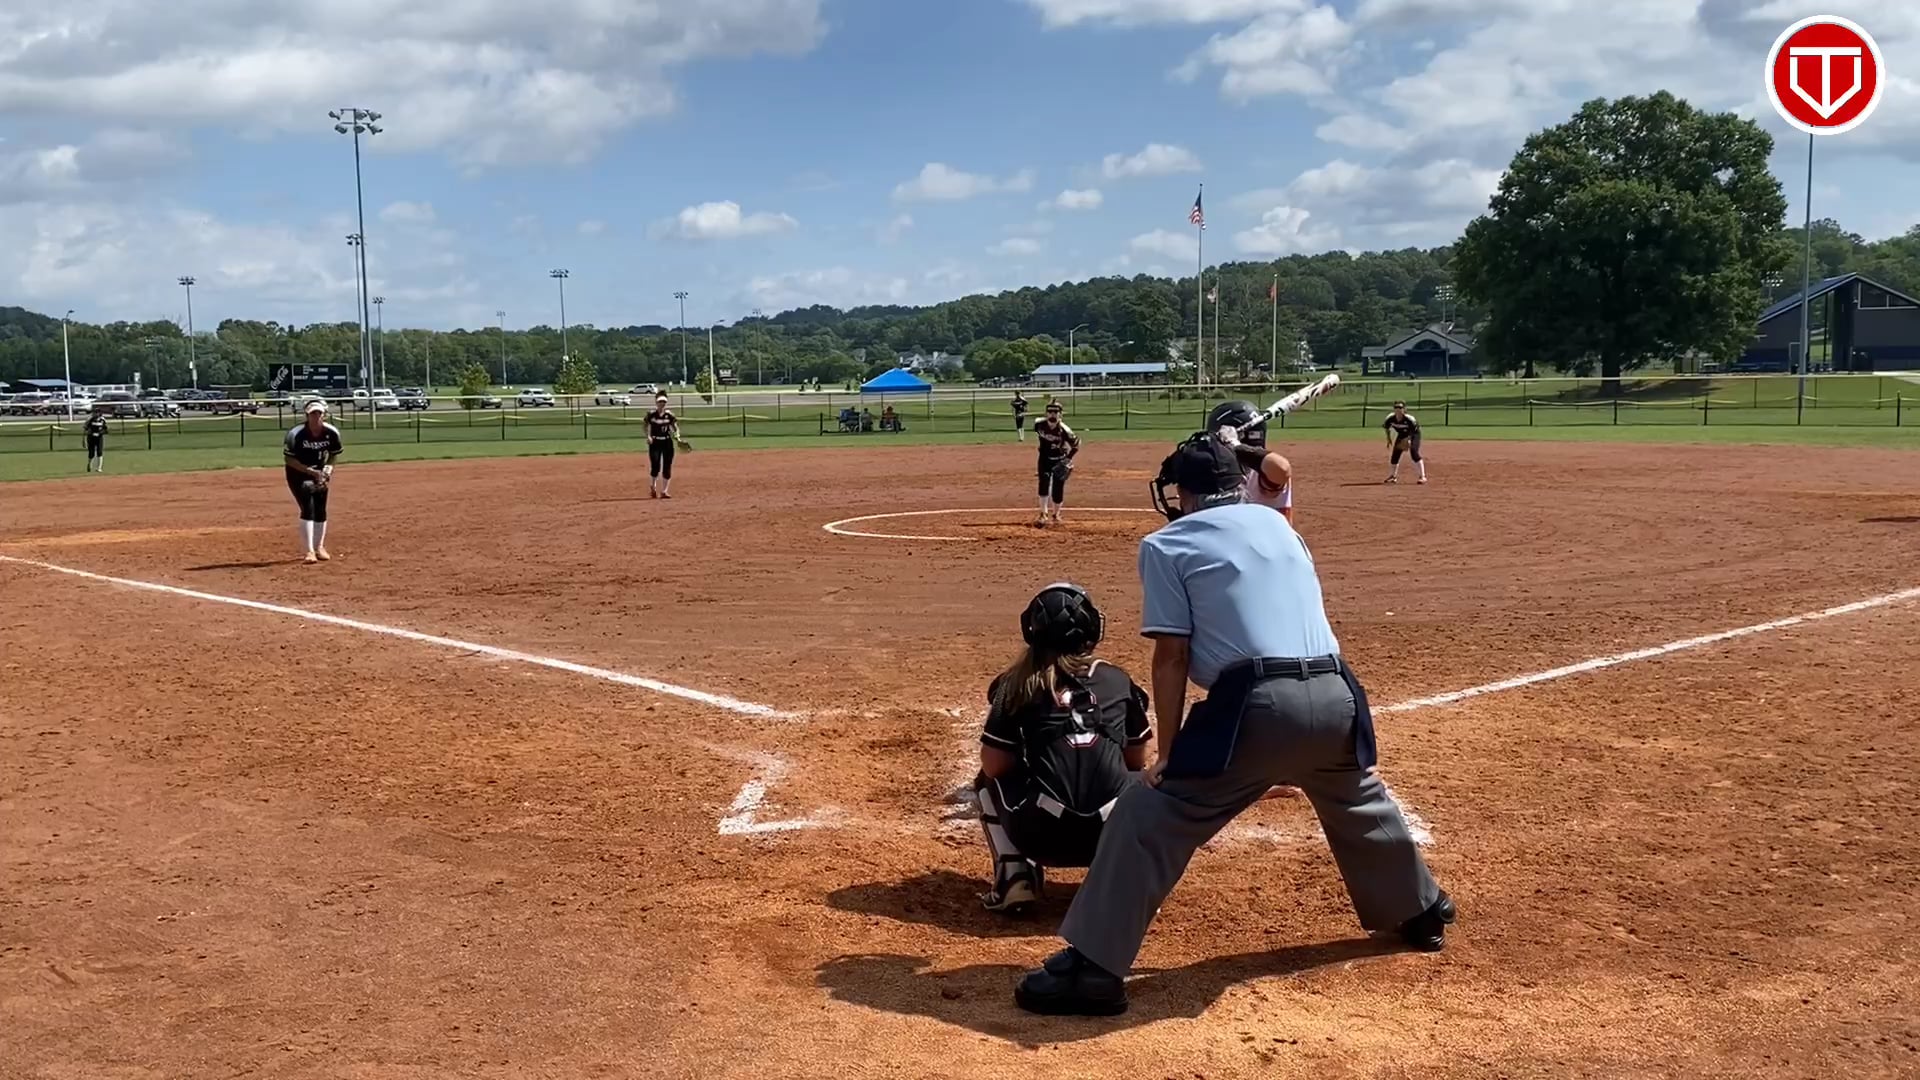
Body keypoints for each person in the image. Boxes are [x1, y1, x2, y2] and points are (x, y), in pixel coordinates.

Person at [1014, 431, 1454, 1016]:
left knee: (1148, 814)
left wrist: (1169, 754)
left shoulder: (1166, 544)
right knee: (1355, 797)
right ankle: (1421, 909)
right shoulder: (1279, 526)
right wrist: (1240, 450)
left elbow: (1171, 657)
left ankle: (1094, 969)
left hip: (1259, 705)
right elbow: (1275, 474)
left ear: (1185, 492)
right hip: (1339, 694)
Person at [973, 583, 1152, 913]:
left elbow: (994, 764)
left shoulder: (1014, 684)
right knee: (1148, 782)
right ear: (1092, 629)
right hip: (1108, 836)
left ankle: (1015, 878)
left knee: (987, 780)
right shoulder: (1118, 680)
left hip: (1040, 835)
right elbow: (1135, 760)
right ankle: (1130, 880)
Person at [1205, 400, 1294, 524]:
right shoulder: (1217, 471)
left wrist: (1235, 446)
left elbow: (1282, 469)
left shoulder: (1261, 472)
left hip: (1267, 536)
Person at [284, 400, 345, 564]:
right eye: (312, 414)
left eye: (319, 413)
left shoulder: (331, 432)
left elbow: (333, 454)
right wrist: (309, 471)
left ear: (324, 415)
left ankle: (319, 547)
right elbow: (289, 459)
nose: (316, 417)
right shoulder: (296, 433)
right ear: (307, 415)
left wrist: (327, 471)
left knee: (320, 510)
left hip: (319, 474)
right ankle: (309, 551)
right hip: (297, 474)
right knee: (307, 508)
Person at [1031, 399, 1080, 528]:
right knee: (1043, 482)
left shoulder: (1065, 430)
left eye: (1056, 412)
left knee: (1058, 488)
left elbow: (1076, 444)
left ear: (1060, 414)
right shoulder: (1039, 424)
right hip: (1044, 459)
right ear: (1046, 413)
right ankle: (1043, 514)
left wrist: (1068, 459)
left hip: (1059, 460)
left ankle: (1056, 514)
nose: (1052, 414)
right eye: (1050, 412)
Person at [1383, 401, 1426, 484]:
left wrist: (1408, 440)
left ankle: (1422, 476)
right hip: (1402, 434)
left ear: (1404, 409)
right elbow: (1386, 428)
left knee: (1413, 451)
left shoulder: (1409, 419)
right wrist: (1388, 439)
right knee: (1395, 454)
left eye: (1400, 407)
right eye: (1396, 407)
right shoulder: (1390, 418)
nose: (1398, 409)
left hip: (1414, 434)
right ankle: (1393, 476)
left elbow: (1414, 430)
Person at [645, 394, 679, 499]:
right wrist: (648, 436)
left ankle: (664, 491)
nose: (662, 404)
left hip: (667, 442)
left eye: (664, 402)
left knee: (667, 466)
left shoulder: (669, 415)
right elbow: (646, 425)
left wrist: (677, 434)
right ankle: (653, 487)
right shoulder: (651, 414)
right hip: (655, 442)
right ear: (656, 403)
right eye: (660, 402)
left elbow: (675, 427)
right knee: (655, 465)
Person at [83, 406, 108, 473]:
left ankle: (99, 468)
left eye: (97, 412)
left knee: (99, 452)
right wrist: (84, 439)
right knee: (91, 452)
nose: (95, 414)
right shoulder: (90, 419)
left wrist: (100, 433)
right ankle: (89, 464)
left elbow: (106, 430)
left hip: (99, 438)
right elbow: (85, 429)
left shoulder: (102, 420)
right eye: (94, 412)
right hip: (91, 438)